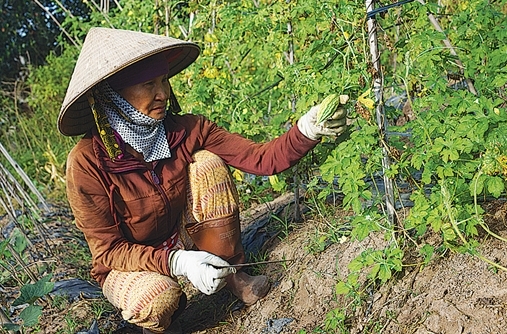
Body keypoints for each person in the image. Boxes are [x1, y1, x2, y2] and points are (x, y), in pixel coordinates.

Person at [58, 28, 347, 333]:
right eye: (148, 85)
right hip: (128, 262)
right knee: (155, 299)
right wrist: (179, 263)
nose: (164, 94)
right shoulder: (87, 162)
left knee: (206, 163)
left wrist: (306, 130)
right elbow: (109, 251)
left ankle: (233, 274)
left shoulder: (187, 129)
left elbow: (261, 159)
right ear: (113, 96)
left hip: (177, 233)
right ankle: (159, 325)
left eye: (164, 81)